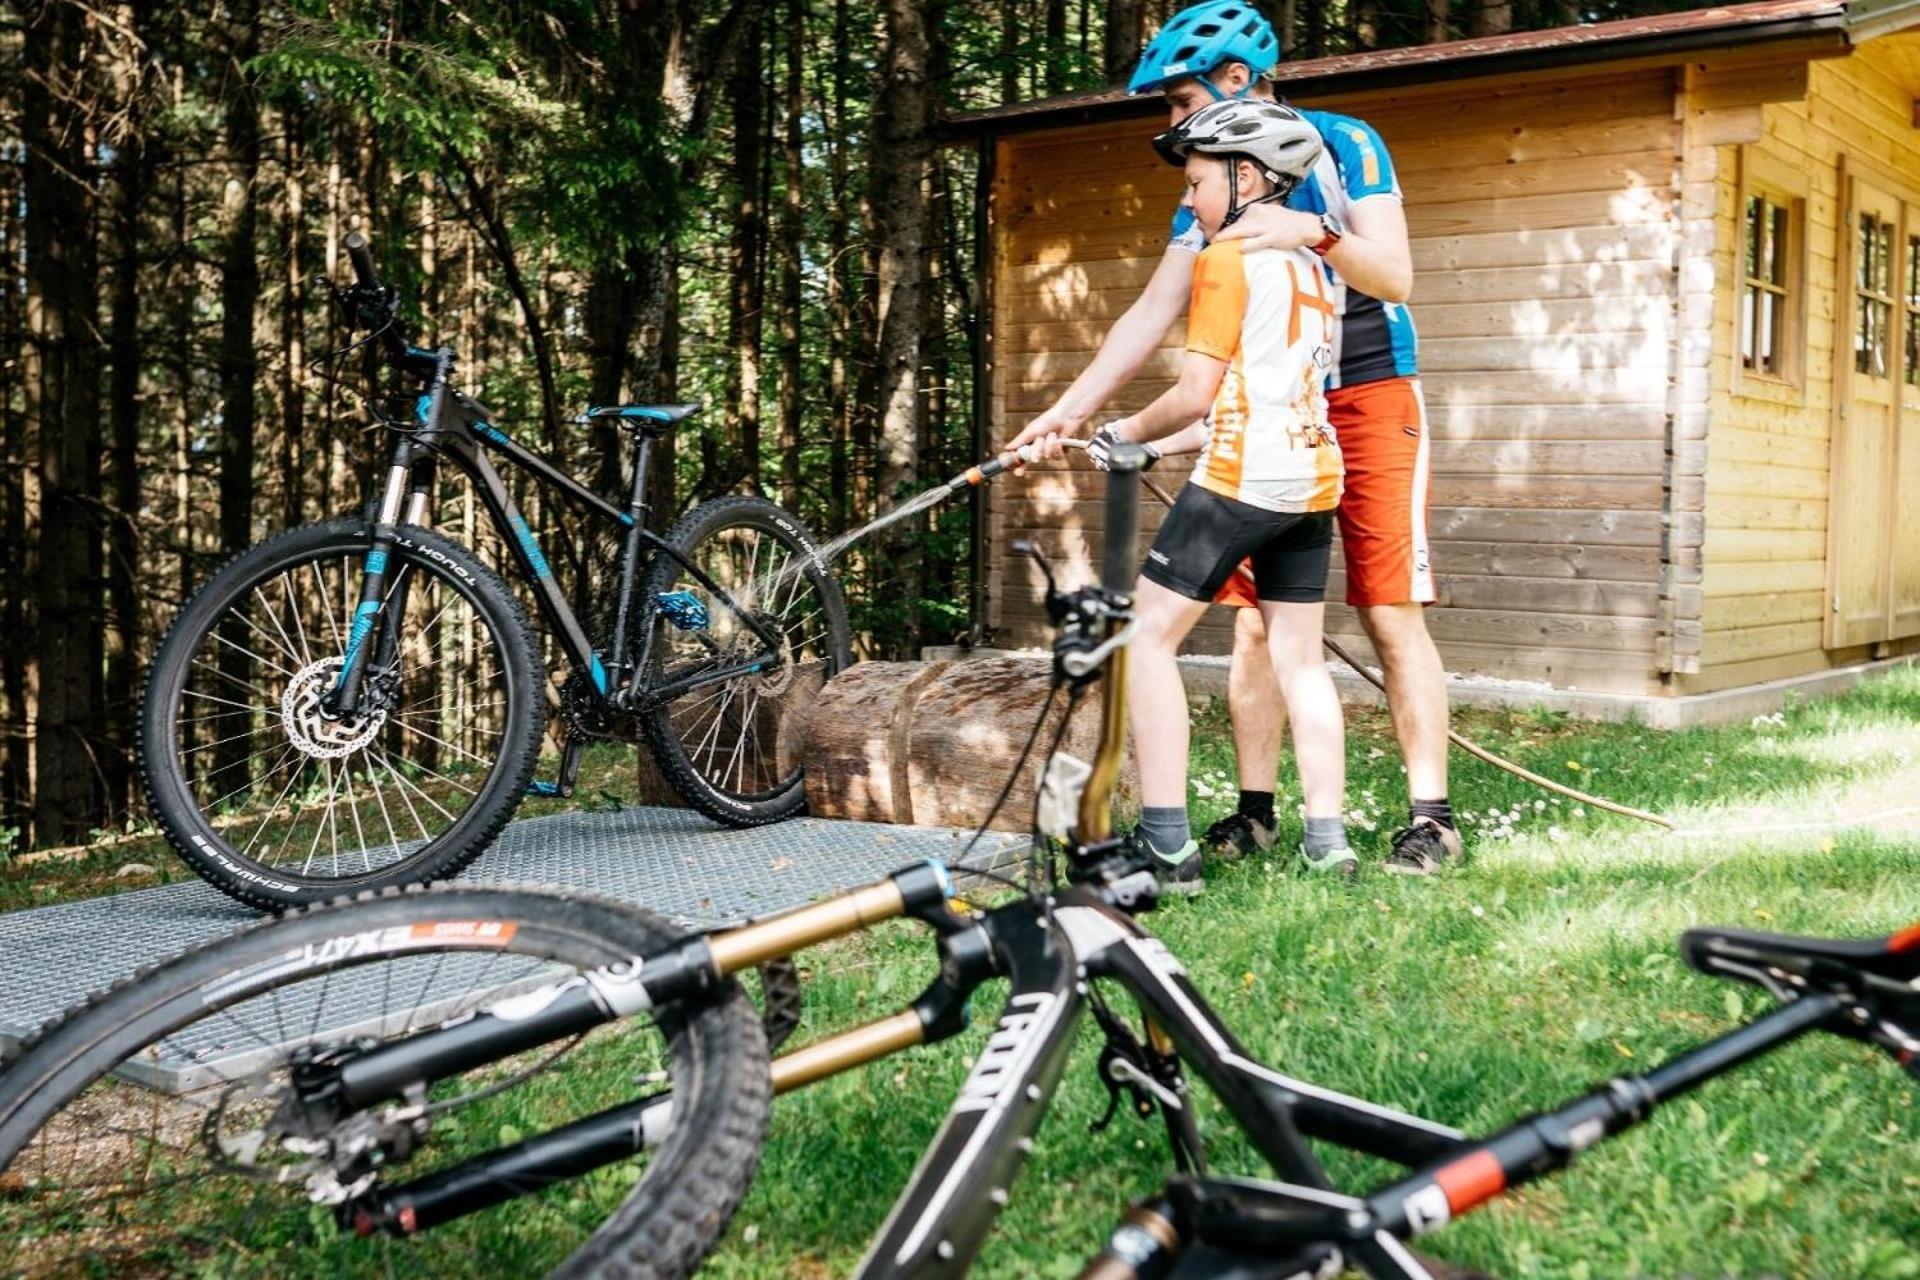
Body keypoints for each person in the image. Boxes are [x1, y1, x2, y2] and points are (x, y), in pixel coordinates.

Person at [1007, 0, 1461, 877]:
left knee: (1387, 610)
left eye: (1180, 103)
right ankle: (1258, 814)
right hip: (1270, 412)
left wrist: (1313, 231)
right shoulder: (1210, 187)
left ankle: (1430, 820)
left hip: (1367, 390)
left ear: (1237, 82)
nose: (1174, 127)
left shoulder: (1347, 142)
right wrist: (1067, 411)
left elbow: (1396, 275)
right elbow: (1151, 312)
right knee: (1260, 623)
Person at [1070, 98, 1351, 894]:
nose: (1189, 201)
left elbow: (1199, 394)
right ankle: (1327, 843)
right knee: (1298, 659)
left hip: (1238, 482)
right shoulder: (1313, 267)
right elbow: (1261, 395)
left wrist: (1122, 427)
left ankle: (1165, 847)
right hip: (1310, 480)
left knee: (1143, 641)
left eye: (1197, 183)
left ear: (1249, 176)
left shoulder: (1226, 259)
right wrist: (1149, 445)